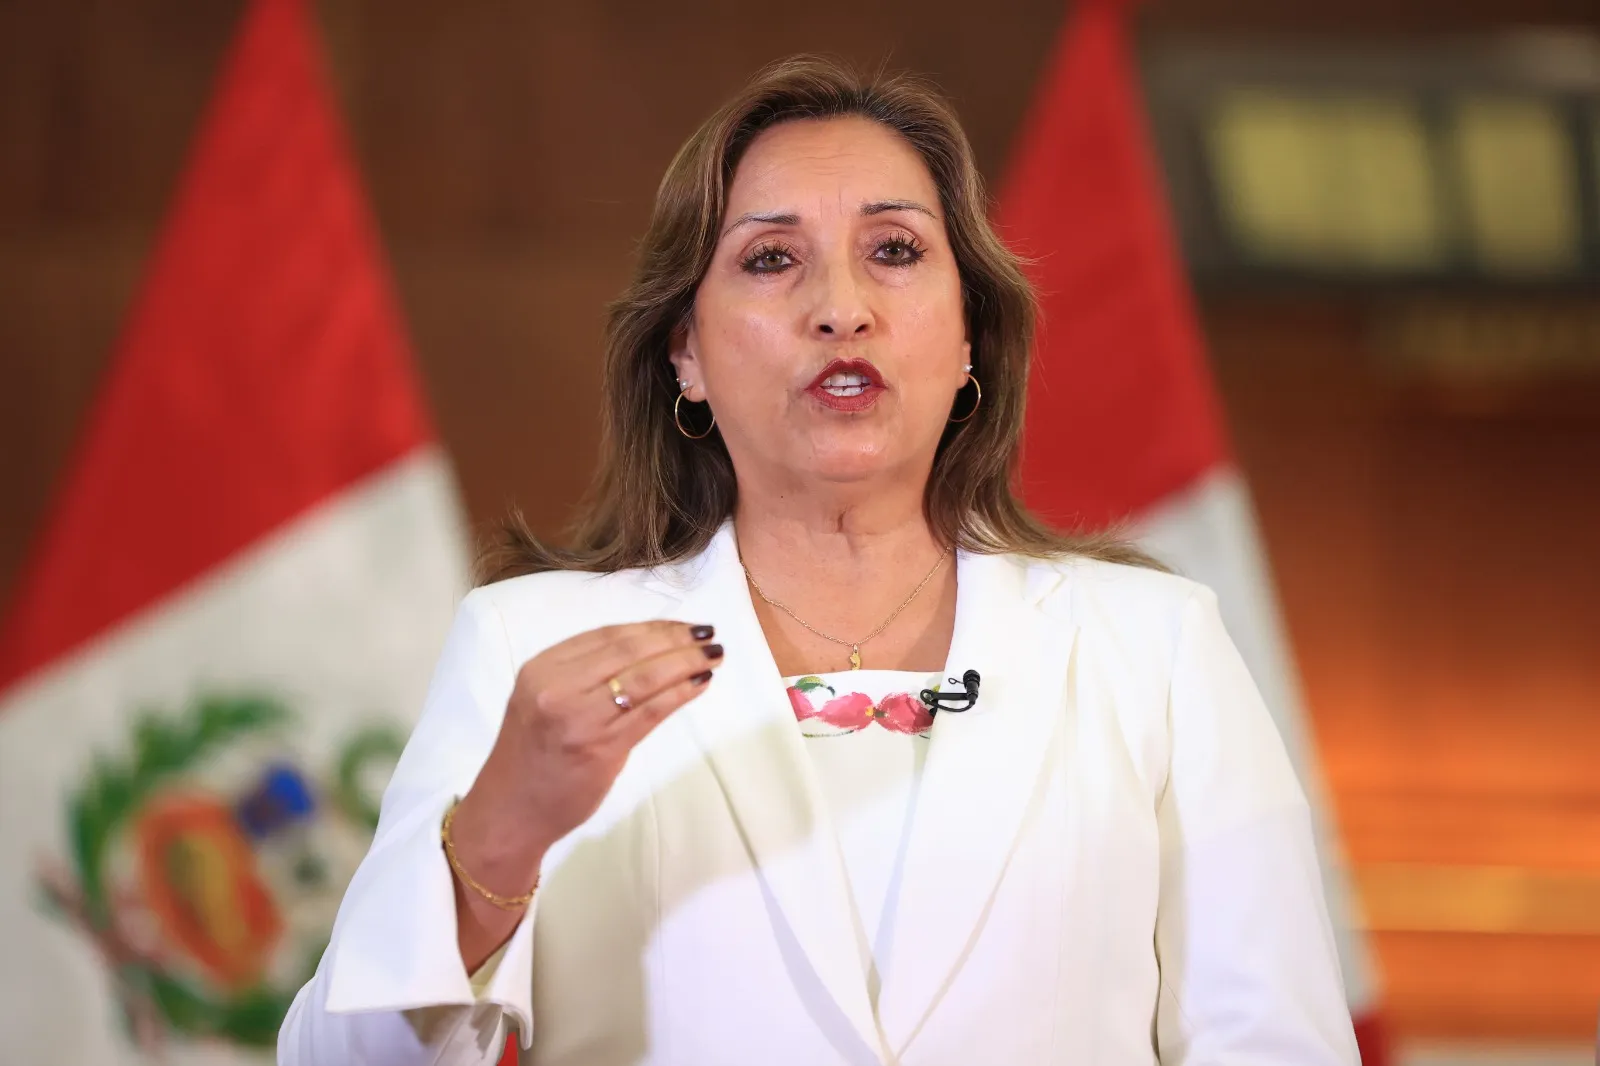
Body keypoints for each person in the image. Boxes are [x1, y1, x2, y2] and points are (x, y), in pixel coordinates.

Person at [277, 55, 1358, 1066]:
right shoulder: (533, 644)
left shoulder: (1153, 648)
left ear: (970, 336)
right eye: (770, 259)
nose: (841, 308)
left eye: (895, 251)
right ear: (685, 353)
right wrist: (499, 836)